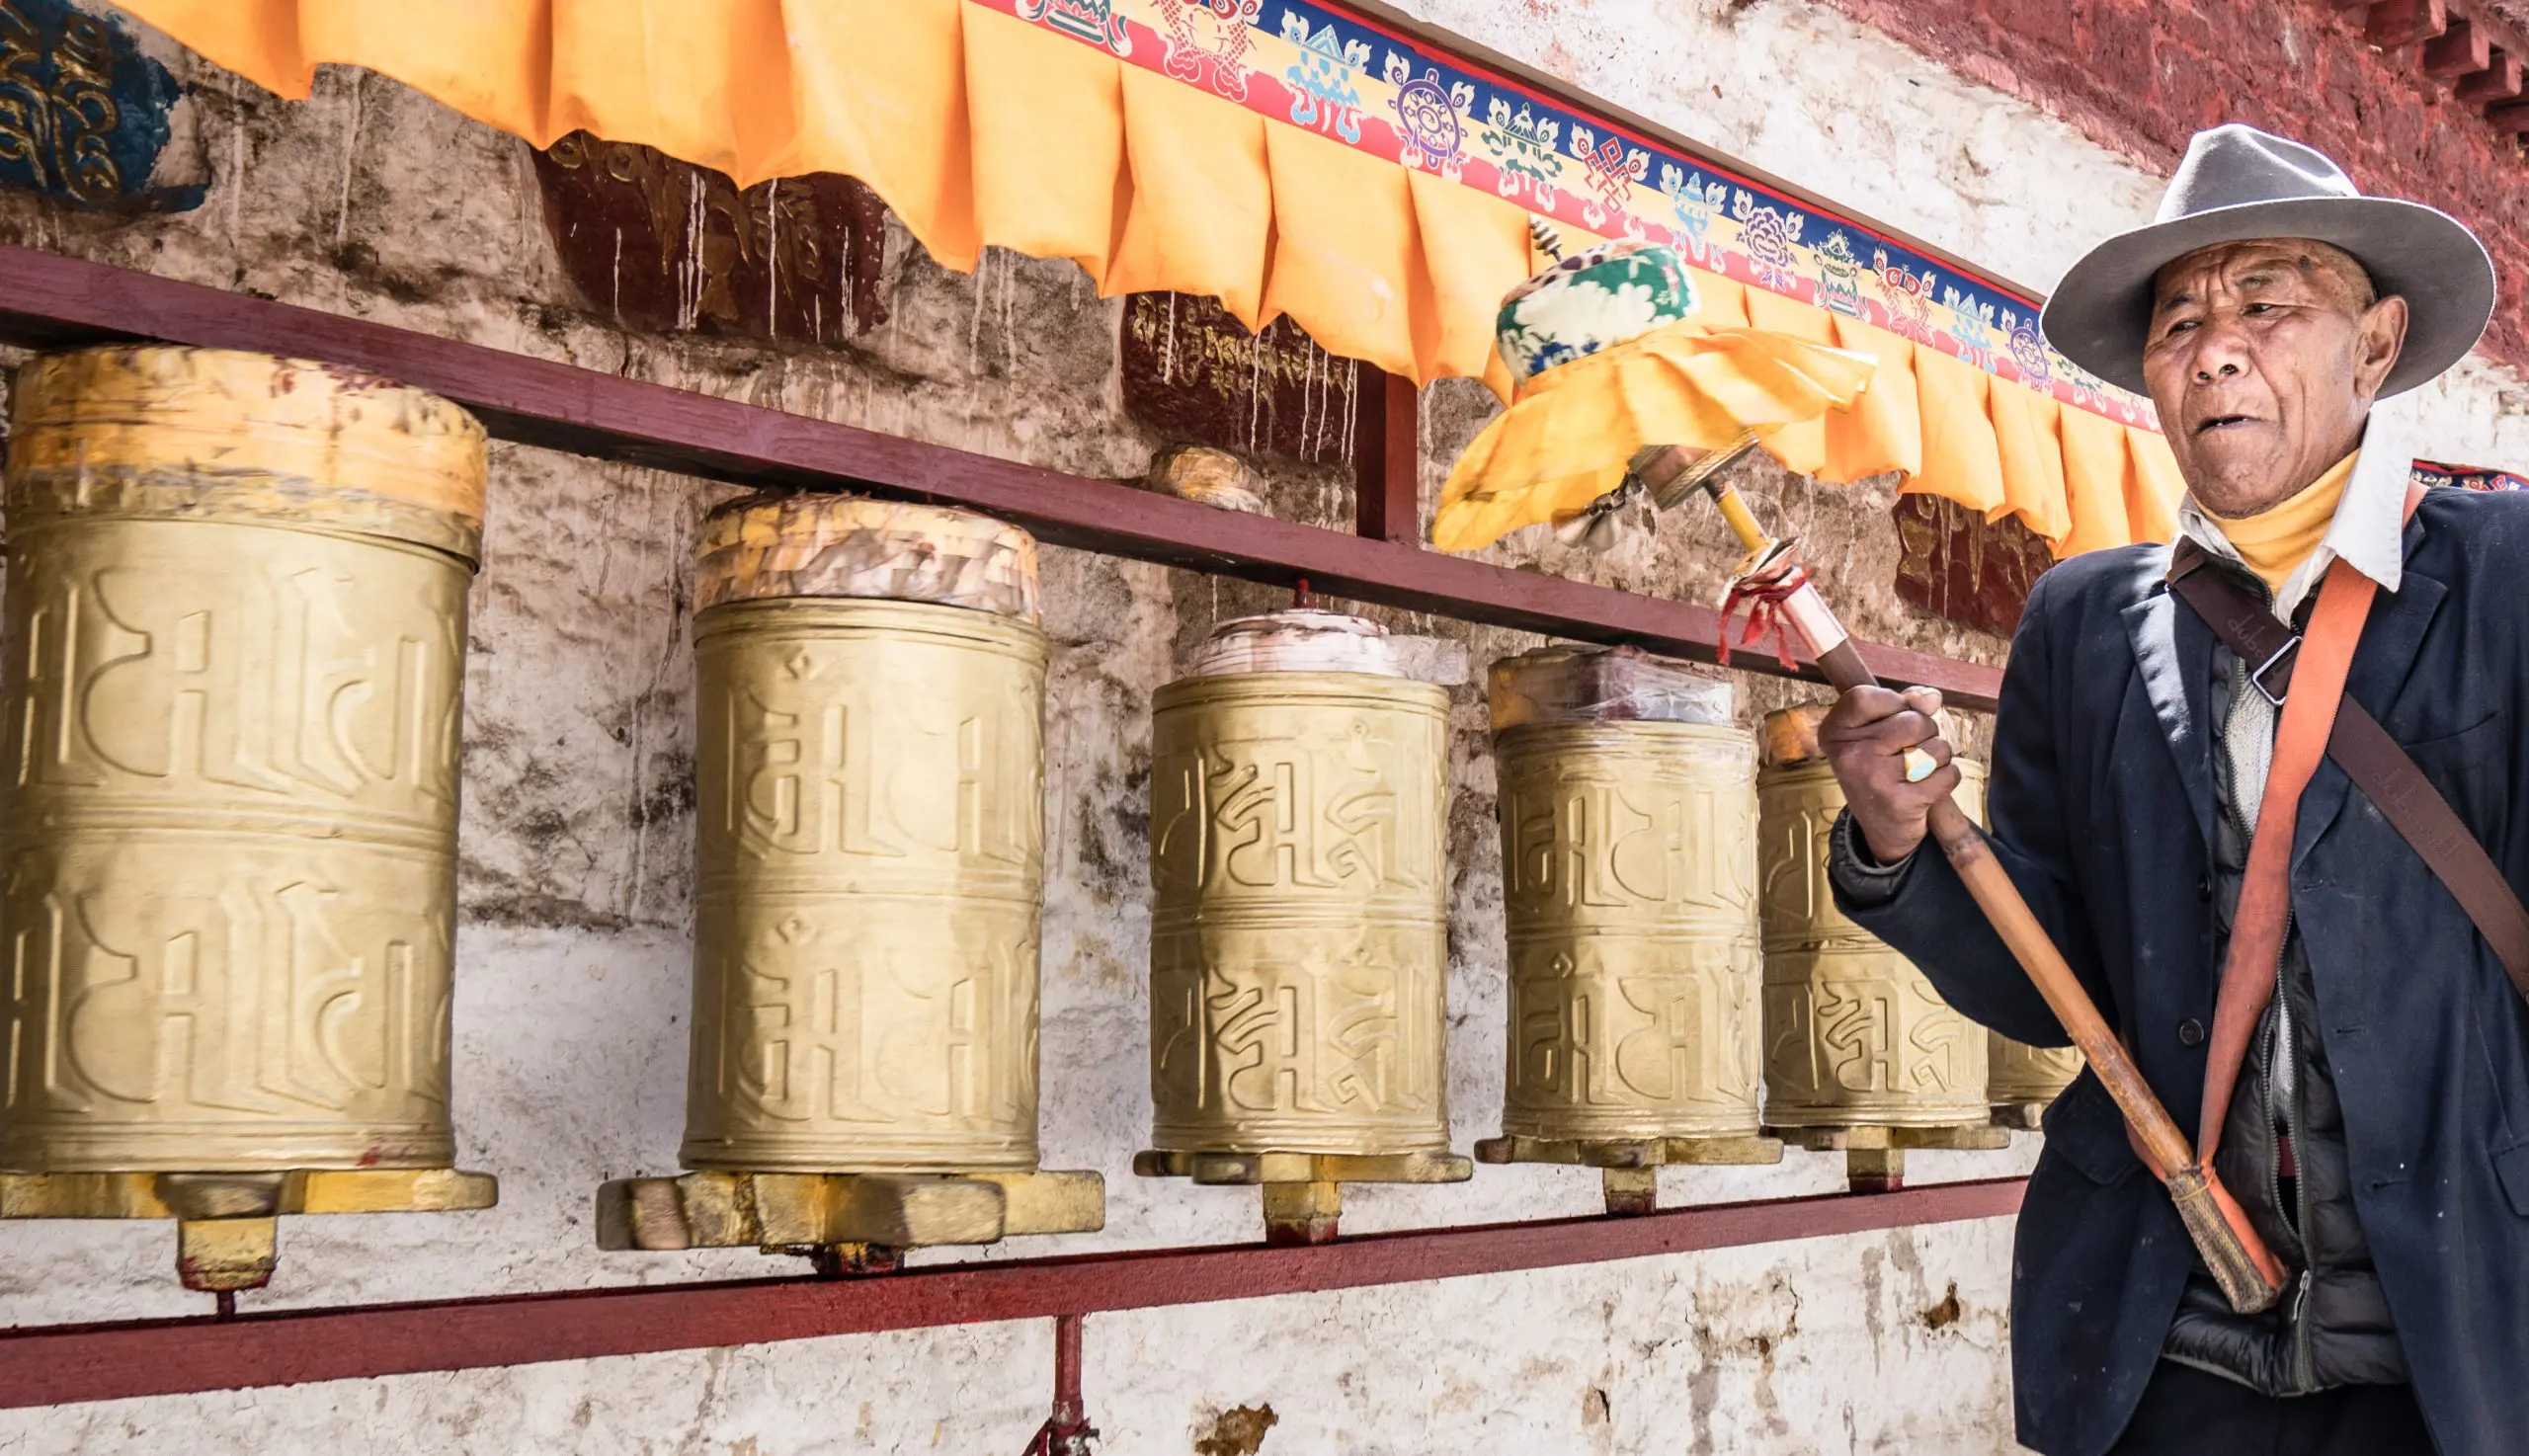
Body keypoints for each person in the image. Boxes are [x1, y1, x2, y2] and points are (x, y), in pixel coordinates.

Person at [1822, 123, 2522, 1455]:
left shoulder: (2504, 582)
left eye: (2268, 303)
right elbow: (2051, 978)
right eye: (2181, 321)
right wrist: (1903, 838)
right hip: (2169, 1348)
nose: (2215, 348)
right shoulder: (2087, 623)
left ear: (2373, 345)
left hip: (2461, 1351)